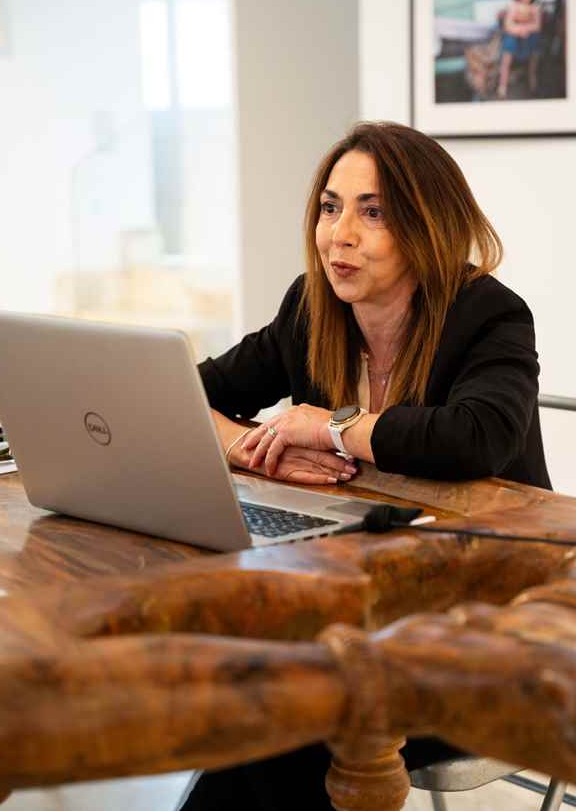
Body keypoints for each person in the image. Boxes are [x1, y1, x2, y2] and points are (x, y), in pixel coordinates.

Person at [183, 121, 550, 811]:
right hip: (365, 605)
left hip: (493, 622)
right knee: (247, 705)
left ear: (427, 225)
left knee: (287, 724)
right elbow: (183, 393)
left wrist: (328, 426)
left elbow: (476, 438)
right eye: (330, 207)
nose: (339, 234)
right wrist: (241, 443)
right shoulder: (311, 307)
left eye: (372, 212)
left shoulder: (488, 314)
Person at [497, 0, 542, 99]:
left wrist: (526, 29)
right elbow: (508, 25)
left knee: (536, 46)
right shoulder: (514, 4)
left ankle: (532, 78)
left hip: (528, 37)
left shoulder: (535, 6)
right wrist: (519, 30)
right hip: (514, 37)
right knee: (507, 49)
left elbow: (537, 25)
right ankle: (502, 85)